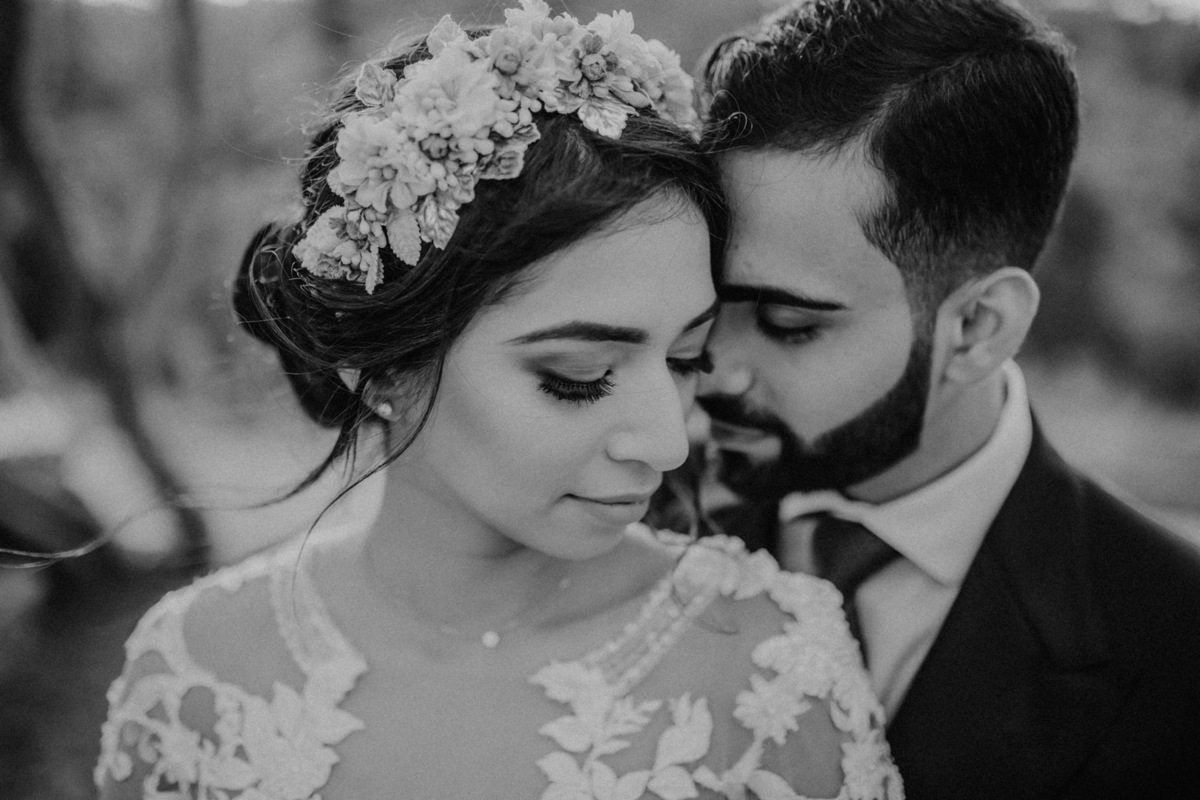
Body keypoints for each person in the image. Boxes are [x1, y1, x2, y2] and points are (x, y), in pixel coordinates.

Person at [93, 3, 903, 798]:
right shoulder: (197, 676)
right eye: (579, 375)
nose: (669, 442)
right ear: (380, 367)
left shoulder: (770, 672)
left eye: (686, 358)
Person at [696, 0, 1200, 797]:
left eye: (789, 325)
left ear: (978, 328)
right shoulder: (615, 510)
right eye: (701, 305)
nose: (711, 370)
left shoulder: (1176, 644)